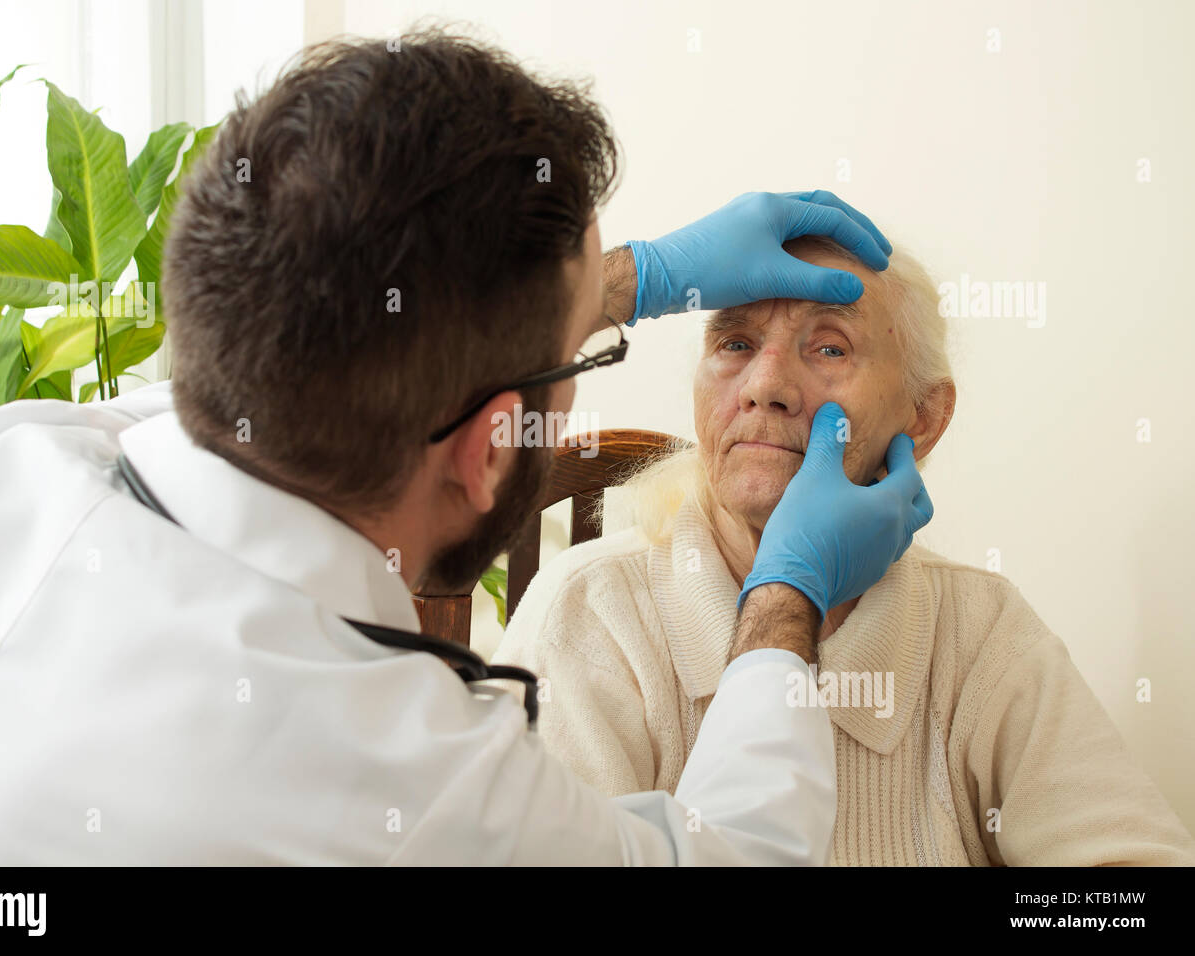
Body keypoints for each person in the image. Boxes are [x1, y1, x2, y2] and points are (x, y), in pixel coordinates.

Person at [0, 29, 919, 865]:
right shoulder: (412, 787)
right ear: (485, 452)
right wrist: (789, 594)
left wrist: (624, 282)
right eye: (581, 359)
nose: (770, 380)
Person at [493, 235, 1195, 866]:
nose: (765, 386)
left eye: (830, 347)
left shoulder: (978, 628)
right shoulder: (590, 611)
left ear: (923, 418)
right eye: (734, 342)